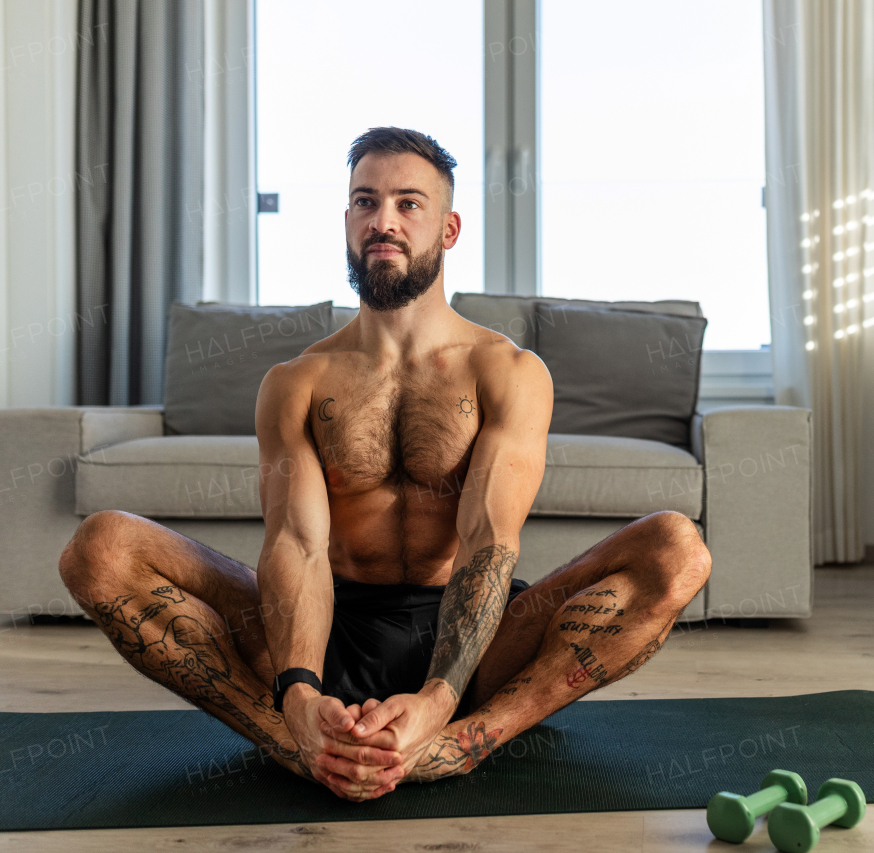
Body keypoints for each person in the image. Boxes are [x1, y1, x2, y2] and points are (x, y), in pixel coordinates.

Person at [58, 126, 712, 802]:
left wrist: (439, 697)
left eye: (408, 203)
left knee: (677, 548)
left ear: (449, 228)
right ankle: (296, 742)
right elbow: (297, 543)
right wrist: (299, 692)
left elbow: (489, 542)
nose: (383, 220)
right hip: (328, 621)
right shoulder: (297, 381)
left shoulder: (508, 371)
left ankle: (469, 740)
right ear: (346, 219)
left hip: (473, 643)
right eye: (365, 201)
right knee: (99, 548)